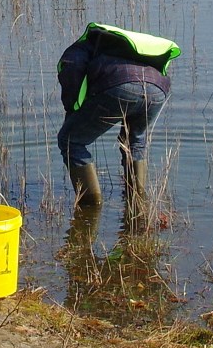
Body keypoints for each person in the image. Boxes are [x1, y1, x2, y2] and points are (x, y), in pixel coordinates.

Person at [56, 22, 180, 226]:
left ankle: (90, 207)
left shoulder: (80, 48)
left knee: (71, 141)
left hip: (120, 84)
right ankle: (137, 200)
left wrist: (72, 109)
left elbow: (71, 67)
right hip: (158, 89)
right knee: (134, 142)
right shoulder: (119, 44)